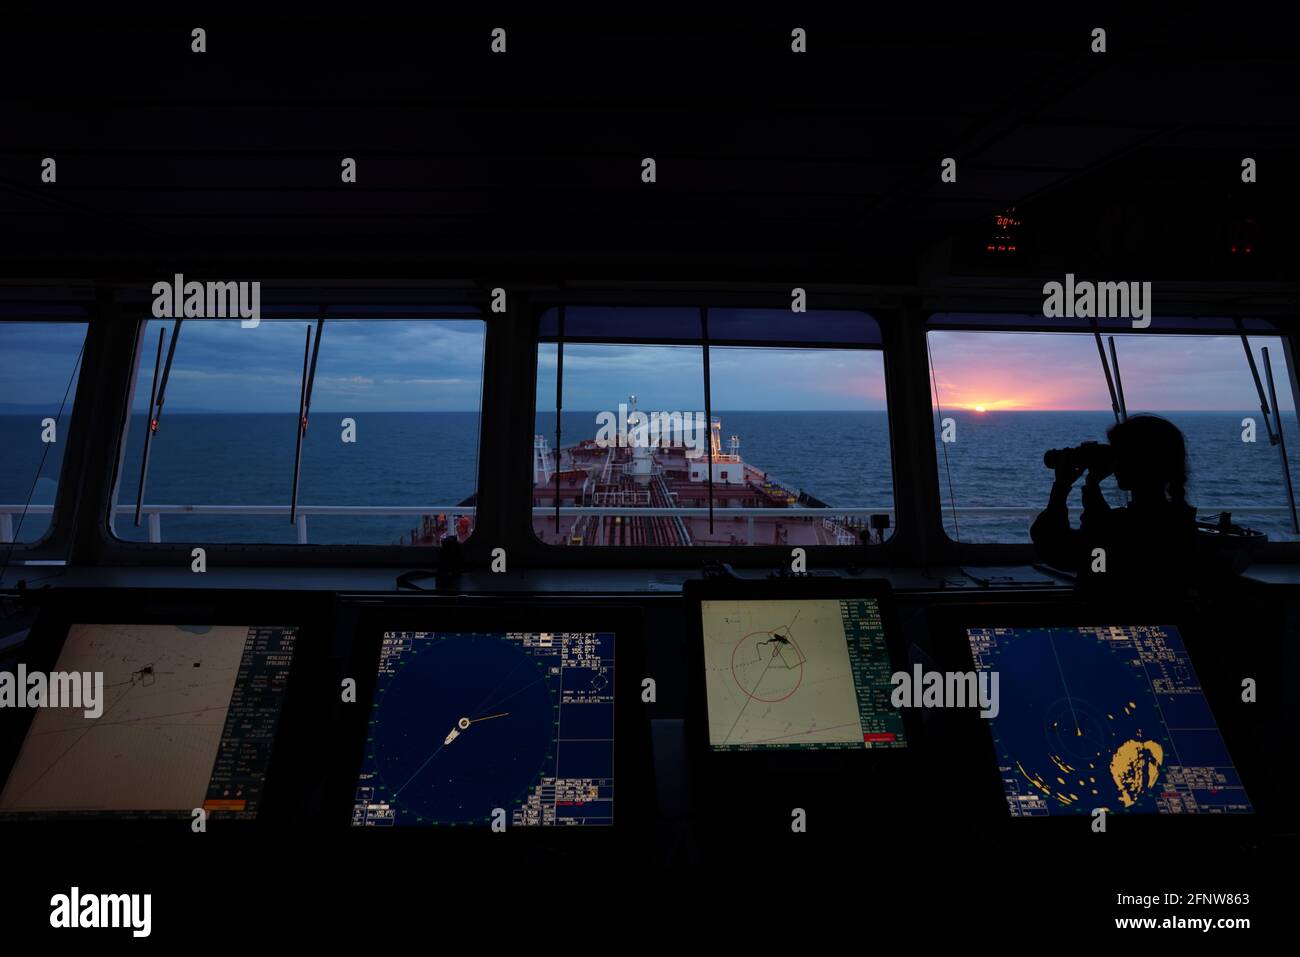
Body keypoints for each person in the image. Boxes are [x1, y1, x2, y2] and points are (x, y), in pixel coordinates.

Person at [1031, 415, 1199, 600]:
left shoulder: (1121, 528)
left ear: (1139, 463)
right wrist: (1092, 485)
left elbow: (1056, 549)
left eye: (1118, 455)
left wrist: (1062, 487)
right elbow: (1101, 542)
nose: (1114, 464)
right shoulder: (1179, 522)